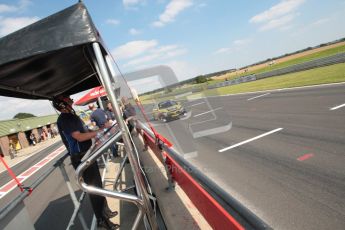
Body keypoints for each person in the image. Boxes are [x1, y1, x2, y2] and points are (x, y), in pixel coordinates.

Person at [52, 95, 119, 229]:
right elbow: (79, 137)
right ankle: (102, 220)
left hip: (87, 154)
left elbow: (85, 130)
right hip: (81, 156)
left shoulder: (72, 116)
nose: (71, 99)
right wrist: (98, 132)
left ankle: (106, 211)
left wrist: (96, 132)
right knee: (94, 189)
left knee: (98, 185)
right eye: (67, 99)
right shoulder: (66, 119)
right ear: (62, 104)